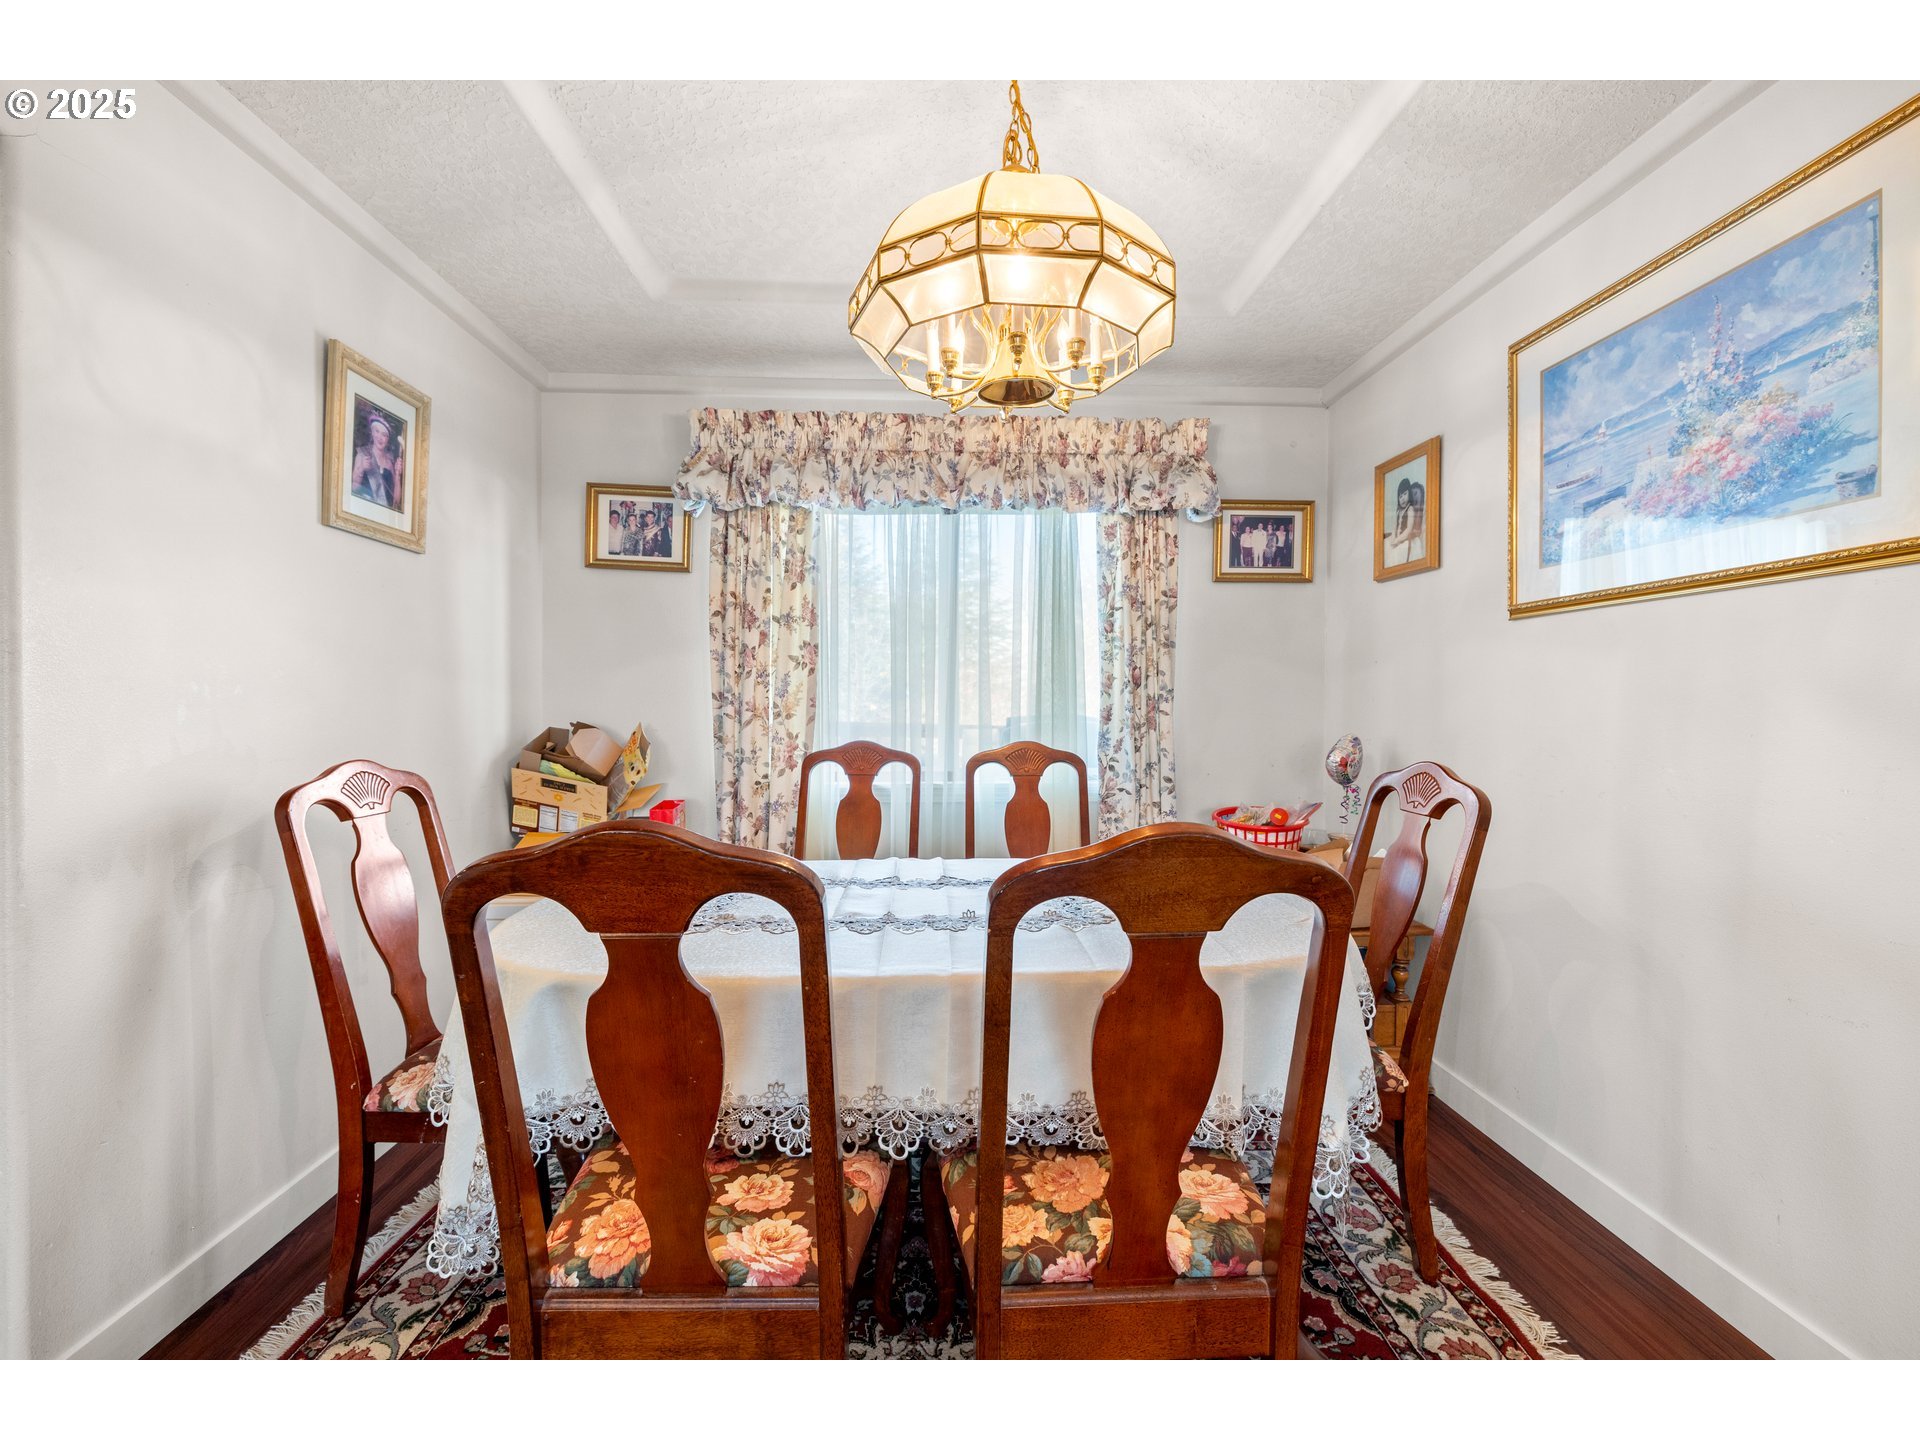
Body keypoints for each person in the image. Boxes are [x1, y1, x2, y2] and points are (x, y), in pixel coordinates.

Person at [350, 409, 405, 511]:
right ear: (372, 432)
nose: (380, 437)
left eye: (384, 435)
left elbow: (396, 502)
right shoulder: (362, 454)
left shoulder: (390, 463)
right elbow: (353, 488)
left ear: (388, 439)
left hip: (384, 515)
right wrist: (361, 469)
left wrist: (397, 475)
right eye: (377, 431)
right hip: (364, 511)